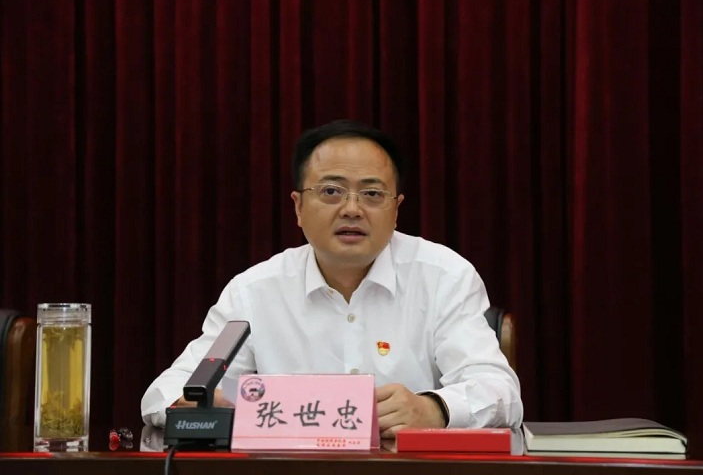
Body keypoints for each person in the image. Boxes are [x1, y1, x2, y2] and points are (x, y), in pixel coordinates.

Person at [141, 120, 523, 437]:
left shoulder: (444, 277)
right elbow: (164, 393)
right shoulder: (254, 291)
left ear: (396, 210)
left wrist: (435, 408)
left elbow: (500, 391)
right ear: (298, 207)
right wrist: (205, 403)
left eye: (372, 193)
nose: (352, 209)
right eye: (331, 191)